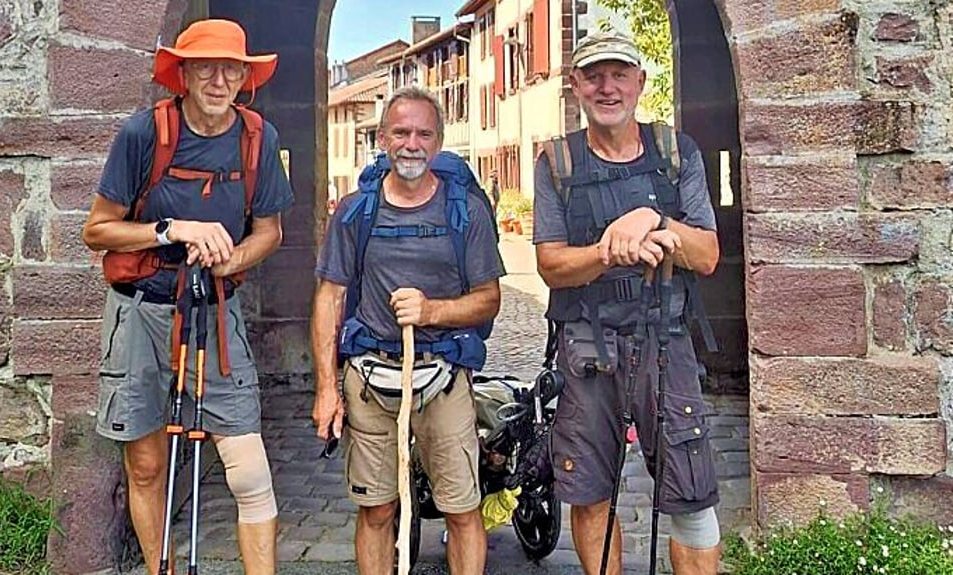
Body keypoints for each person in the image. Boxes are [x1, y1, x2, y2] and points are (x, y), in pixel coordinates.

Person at [81, 18, 294, 575]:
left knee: (248, 467)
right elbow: (97, 230)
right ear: (185, 73)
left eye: (231, 68)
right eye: (206, 66)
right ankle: (163, 569)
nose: (219, 79)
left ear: (245, 77)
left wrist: (232, 259)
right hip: (142, 309)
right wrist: (171, 229)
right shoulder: (144, 134)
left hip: (214, 311)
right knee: (148, 464)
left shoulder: (257, 138)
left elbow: (269, 231)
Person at [532, 29, 721, 575]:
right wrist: (607, 250)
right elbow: (550, 265)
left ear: (640, 81)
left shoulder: (675, 153)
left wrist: (656, 222)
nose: (607, 87)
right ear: (576, 86)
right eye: (594, 76)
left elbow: (707, 255)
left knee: (692, 494)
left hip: (667, 339)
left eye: (619, 74)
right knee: (590, 491)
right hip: (587, 348)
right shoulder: (557, 164)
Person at [310, 86, 504, 575]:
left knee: (462, 509)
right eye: (401, 132)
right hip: (371, 382)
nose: (411, 143)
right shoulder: (355, 211)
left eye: (423, 133)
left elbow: (488, 299)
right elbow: (329, 297)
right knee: (375, 510)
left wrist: (431, 310)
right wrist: (326, 390)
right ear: (382, 139)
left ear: (437, 143)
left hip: (442, 378)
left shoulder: (466, 212)